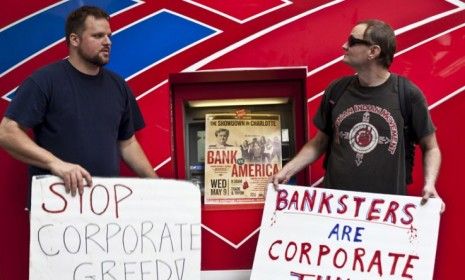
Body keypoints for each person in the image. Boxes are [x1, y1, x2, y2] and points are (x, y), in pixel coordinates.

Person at [272, 19, 445, 212]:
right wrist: (287, 171)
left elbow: (431, 147)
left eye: (352, 41)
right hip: (336, 209)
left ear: (373, 51)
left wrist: (429, 184)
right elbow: (319, 142)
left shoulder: (408, 94)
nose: (344, 45)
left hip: (385, 213)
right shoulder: (336, 90)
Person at [0, 6, 158, 199]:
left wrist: (157, 186)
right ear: (75, 40)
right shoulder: (45, 81)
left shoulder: (118, 86)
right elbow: (7, 132)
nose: (107, 42)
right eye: (98, 36)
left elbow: (128, 143)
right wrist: (55, 163)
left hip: (106, 206)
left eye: (109, 35)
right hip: (57, 206)